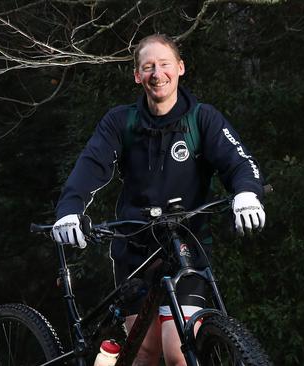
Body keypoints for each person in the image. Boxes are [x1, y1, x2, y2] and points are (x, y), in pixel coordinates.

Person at [52, 34, 266, 366]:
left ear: (180, 68)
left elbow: (238, 161)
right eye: (148, 66)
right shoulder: (121, 122)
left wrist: (247, 193)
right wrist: (69, 210)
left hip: (186, 246)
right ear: (137, 75)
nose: (157, 73)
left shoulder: (203, 119)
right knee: (146, 353)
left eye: (164, 64)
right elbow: (90, 165)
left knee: (179, 351)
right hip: (135, 247)